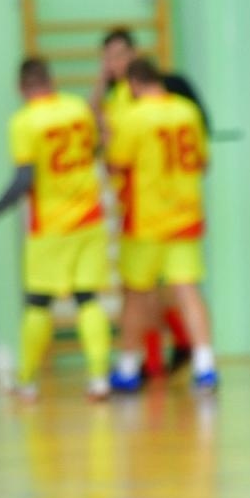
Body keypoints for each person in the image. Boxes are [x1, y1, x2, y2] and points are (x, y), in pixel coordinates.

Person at [0, 58, 112, 400]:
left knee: (38, 303)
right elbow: (95, 149)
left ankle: (27, 382)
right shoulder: (76, 108)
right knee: (88, 299)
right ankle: (99, 379)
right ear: (52, 80)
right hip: (90, 219)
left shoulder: (24, 121)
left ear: (21, 88)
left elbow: (23, 180)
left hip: (51, 226)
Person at [92, 26, 204, 375]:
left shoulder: (134, 105)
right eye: (108, 57)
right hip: (178, 208)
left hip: (146, 211)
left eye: (119, 55)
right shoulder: (179, 105)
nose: (113, 63)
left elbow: (115, 156)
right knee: (170, 288)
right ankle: (186, 356)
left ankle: (139, 361)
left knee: (142, 289)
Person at [106, 57, 218, 392]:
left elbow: (116, 164)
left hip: (146, 220)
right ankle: (205, 365)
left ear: (133, 85)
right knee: (187, 291)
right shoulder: (186, 110)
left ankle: (127, 367)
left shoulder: (133, 117)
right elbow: (202, 161)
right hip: (184, 215)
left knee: (137, 294)